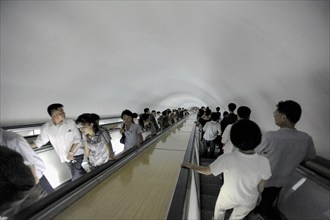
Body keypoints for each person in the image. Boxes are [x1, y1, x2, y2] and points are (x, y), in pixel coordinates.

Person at [182, 119, 271, 220]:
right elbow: (262, 184)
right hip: (249, 199)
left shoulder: (227, 158)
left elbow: (207, 171)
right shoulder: (264, 161)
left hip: (228, 196)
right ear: (258, 139)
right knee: (237, 217)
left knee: (219, 211)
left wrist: (191, 166)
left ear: (234, 140)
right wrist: (259, 195)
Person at [254, 100, 316, 219]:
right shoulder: (305, 138)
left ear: (283, 117)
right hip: (280, 182)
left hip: (260, 181)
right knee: (264, 207)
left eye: (276, 114)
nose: (274, 116)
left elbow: (254, 154)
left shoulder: (270, 136)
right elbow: (310, 156)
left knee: (251, 204)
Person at [30, 103, 86, 181]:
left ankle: (83, 189)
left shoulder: (70, 122)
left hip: (76, 153)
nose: (64, 113)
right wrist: (24, 146)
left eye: (63, 111)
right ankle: (92, 181)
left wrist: (71, 153)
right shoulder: (46, 128)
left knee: (76, 177)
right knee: (78, 172)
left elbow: (77, 139)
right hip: (65, 157)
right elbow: (39, 142)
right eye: (61, 111)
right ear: (53, 115)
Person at [0, 128, 54, 193]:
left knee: (50, 197)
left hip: (33, 177)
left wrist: (34, 178)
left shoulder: (13, 140)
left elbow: (29, 162)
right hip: (18, 179)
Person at [0, 147, 47, 218]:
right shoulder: (4, 153)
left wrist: (5, 208)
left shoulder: (4, 154)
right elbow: (27, 180)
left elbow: (28, 181)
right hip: (28, 203)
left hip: (20, 209)